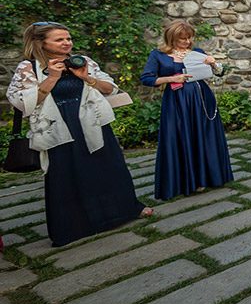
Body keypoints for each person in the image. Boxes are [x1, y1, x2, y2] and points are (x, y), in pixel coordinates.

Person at [7, 22, 151, 247]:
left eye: (69, 38)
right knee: (67, 173)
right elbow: (21, 104)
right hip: (58, 126)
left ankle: (125, 210)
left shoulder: (83, 61)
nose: (67, 43)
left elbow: (110, 89)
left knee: (108, 167)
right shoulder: (28, 67)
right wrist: (52, 78)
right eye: (60, 39)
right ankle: (75, 226)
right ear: (41, 43)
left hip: (92, 122)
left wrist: (86, 77)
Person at [140, 20, 233, 200]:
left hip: (201, 98)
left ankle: (207, 178)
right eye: (182, 38)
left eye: (189, 37)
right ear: (172, 37)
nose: (187, 42)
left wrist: (214, 64)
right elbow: (147, 79)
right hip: (177, 101)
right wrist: (172, 78)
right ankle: (184, 181)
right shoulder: (158, 55)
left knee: (203, 135)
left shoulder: (197, 53)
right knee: (180, 135)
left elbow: (219, 73)